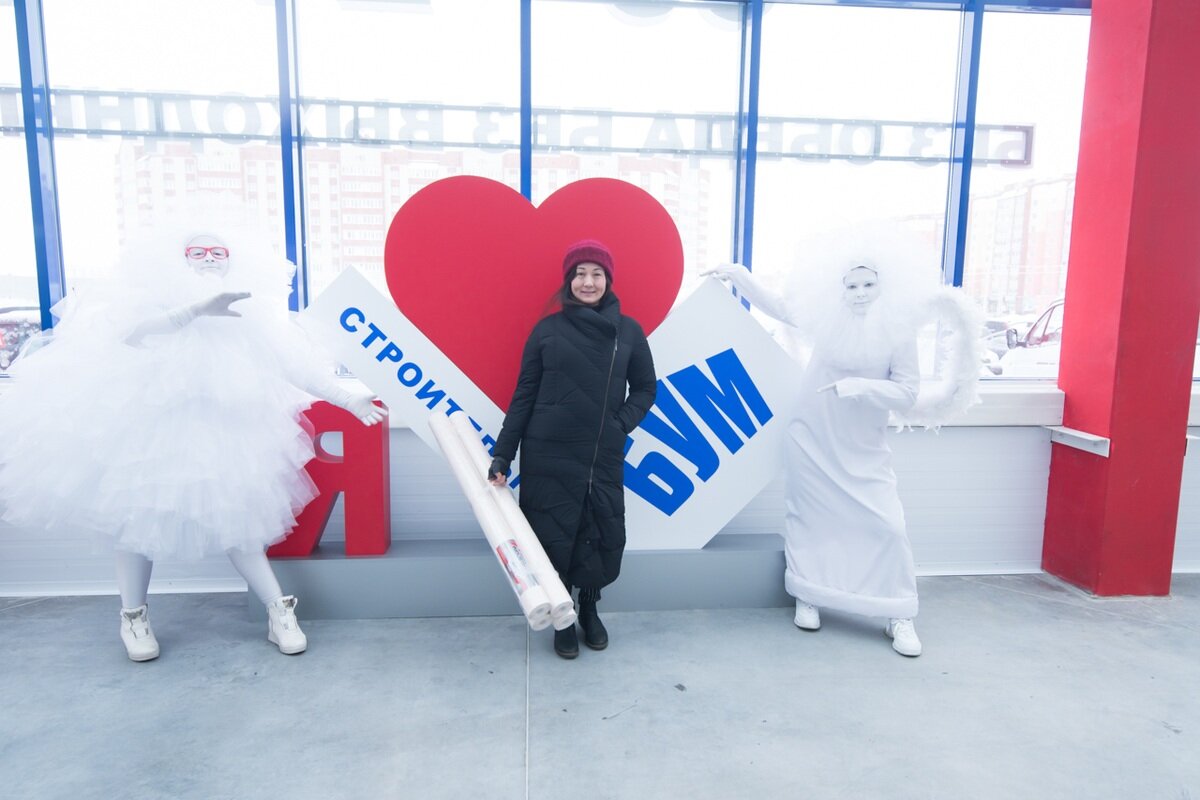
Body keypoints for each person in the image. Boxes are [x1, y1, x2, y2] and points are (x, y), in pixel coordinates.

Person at [0, 207, 385, 662]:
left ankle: (277, 611)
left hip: (226, 434)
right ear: (178, 259)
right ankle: (133, 616)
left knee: (240, 523)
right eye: (197, 253)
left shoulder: (249, 312)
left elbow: (293, 365)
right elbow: (129, 335)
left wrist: (348, 399)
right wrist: (196, 310)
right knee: (136, 523)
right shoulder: (150, 300)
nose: (208, 259)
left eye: (217, 253)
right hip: (151, 436)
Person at [703, 244, 979, 658]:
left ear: (885, 286)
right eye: (851, 286)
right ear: (839, 289)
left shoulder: (897, 331)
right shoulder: (827, 319)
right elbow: (780, 307)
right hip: (811, 436)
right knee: (810, 519)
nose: (860, 293)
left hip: (863, 446)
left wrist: (861, 387)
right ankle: (809, 594)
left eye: (868, 284)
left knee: (887, 526)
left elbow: (907, 393)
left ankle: (898, 612)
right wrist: (738, 274)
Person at [487, 239, 656, 659]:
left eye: (597, 274)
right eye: (580, 273)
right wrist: (504, 453)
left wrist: (619, 425)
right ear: (568, 280)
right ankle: (562, 619)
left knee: (597, 532)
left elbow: (646, 389)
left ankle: (589, 610)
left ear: (608, 280)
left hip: (600, 455)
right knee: (551, 535)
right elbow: (524, 396)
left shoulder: (629, 332)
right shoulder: (547, 331)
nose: (588, 282)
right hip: (547, 454)